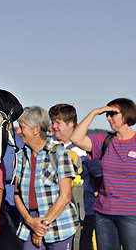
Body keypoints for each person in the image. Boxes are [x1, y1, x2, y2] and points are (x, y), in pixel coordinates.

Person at [70, 98, 136, 250]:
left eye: (113, 113)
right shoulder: (104, 140)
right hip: (103, 213)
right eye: (106, 114)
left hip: (131, 213)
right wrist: (94, 112)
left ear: (127, 114)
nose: (108, 118)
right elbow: (75, 138)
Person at [14, 106, 78, 249]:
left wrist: (41, 227)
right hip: (29, 224)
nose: (18, 131)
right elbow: (17, 194)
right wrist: (31, 222)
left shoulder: (59, 154)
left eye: (22, 127)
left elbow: (65, 196)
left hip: (58, 225)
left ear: (36, 129)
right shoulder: (20, 157)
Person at [49, 104, 96, 250]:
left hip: (84, 212)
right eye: (52, 122)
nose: (54, 126)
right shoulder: (49, 147)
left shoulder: (85, 149)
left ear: (71, 124)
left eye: (58, 122)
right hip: (54, 212)